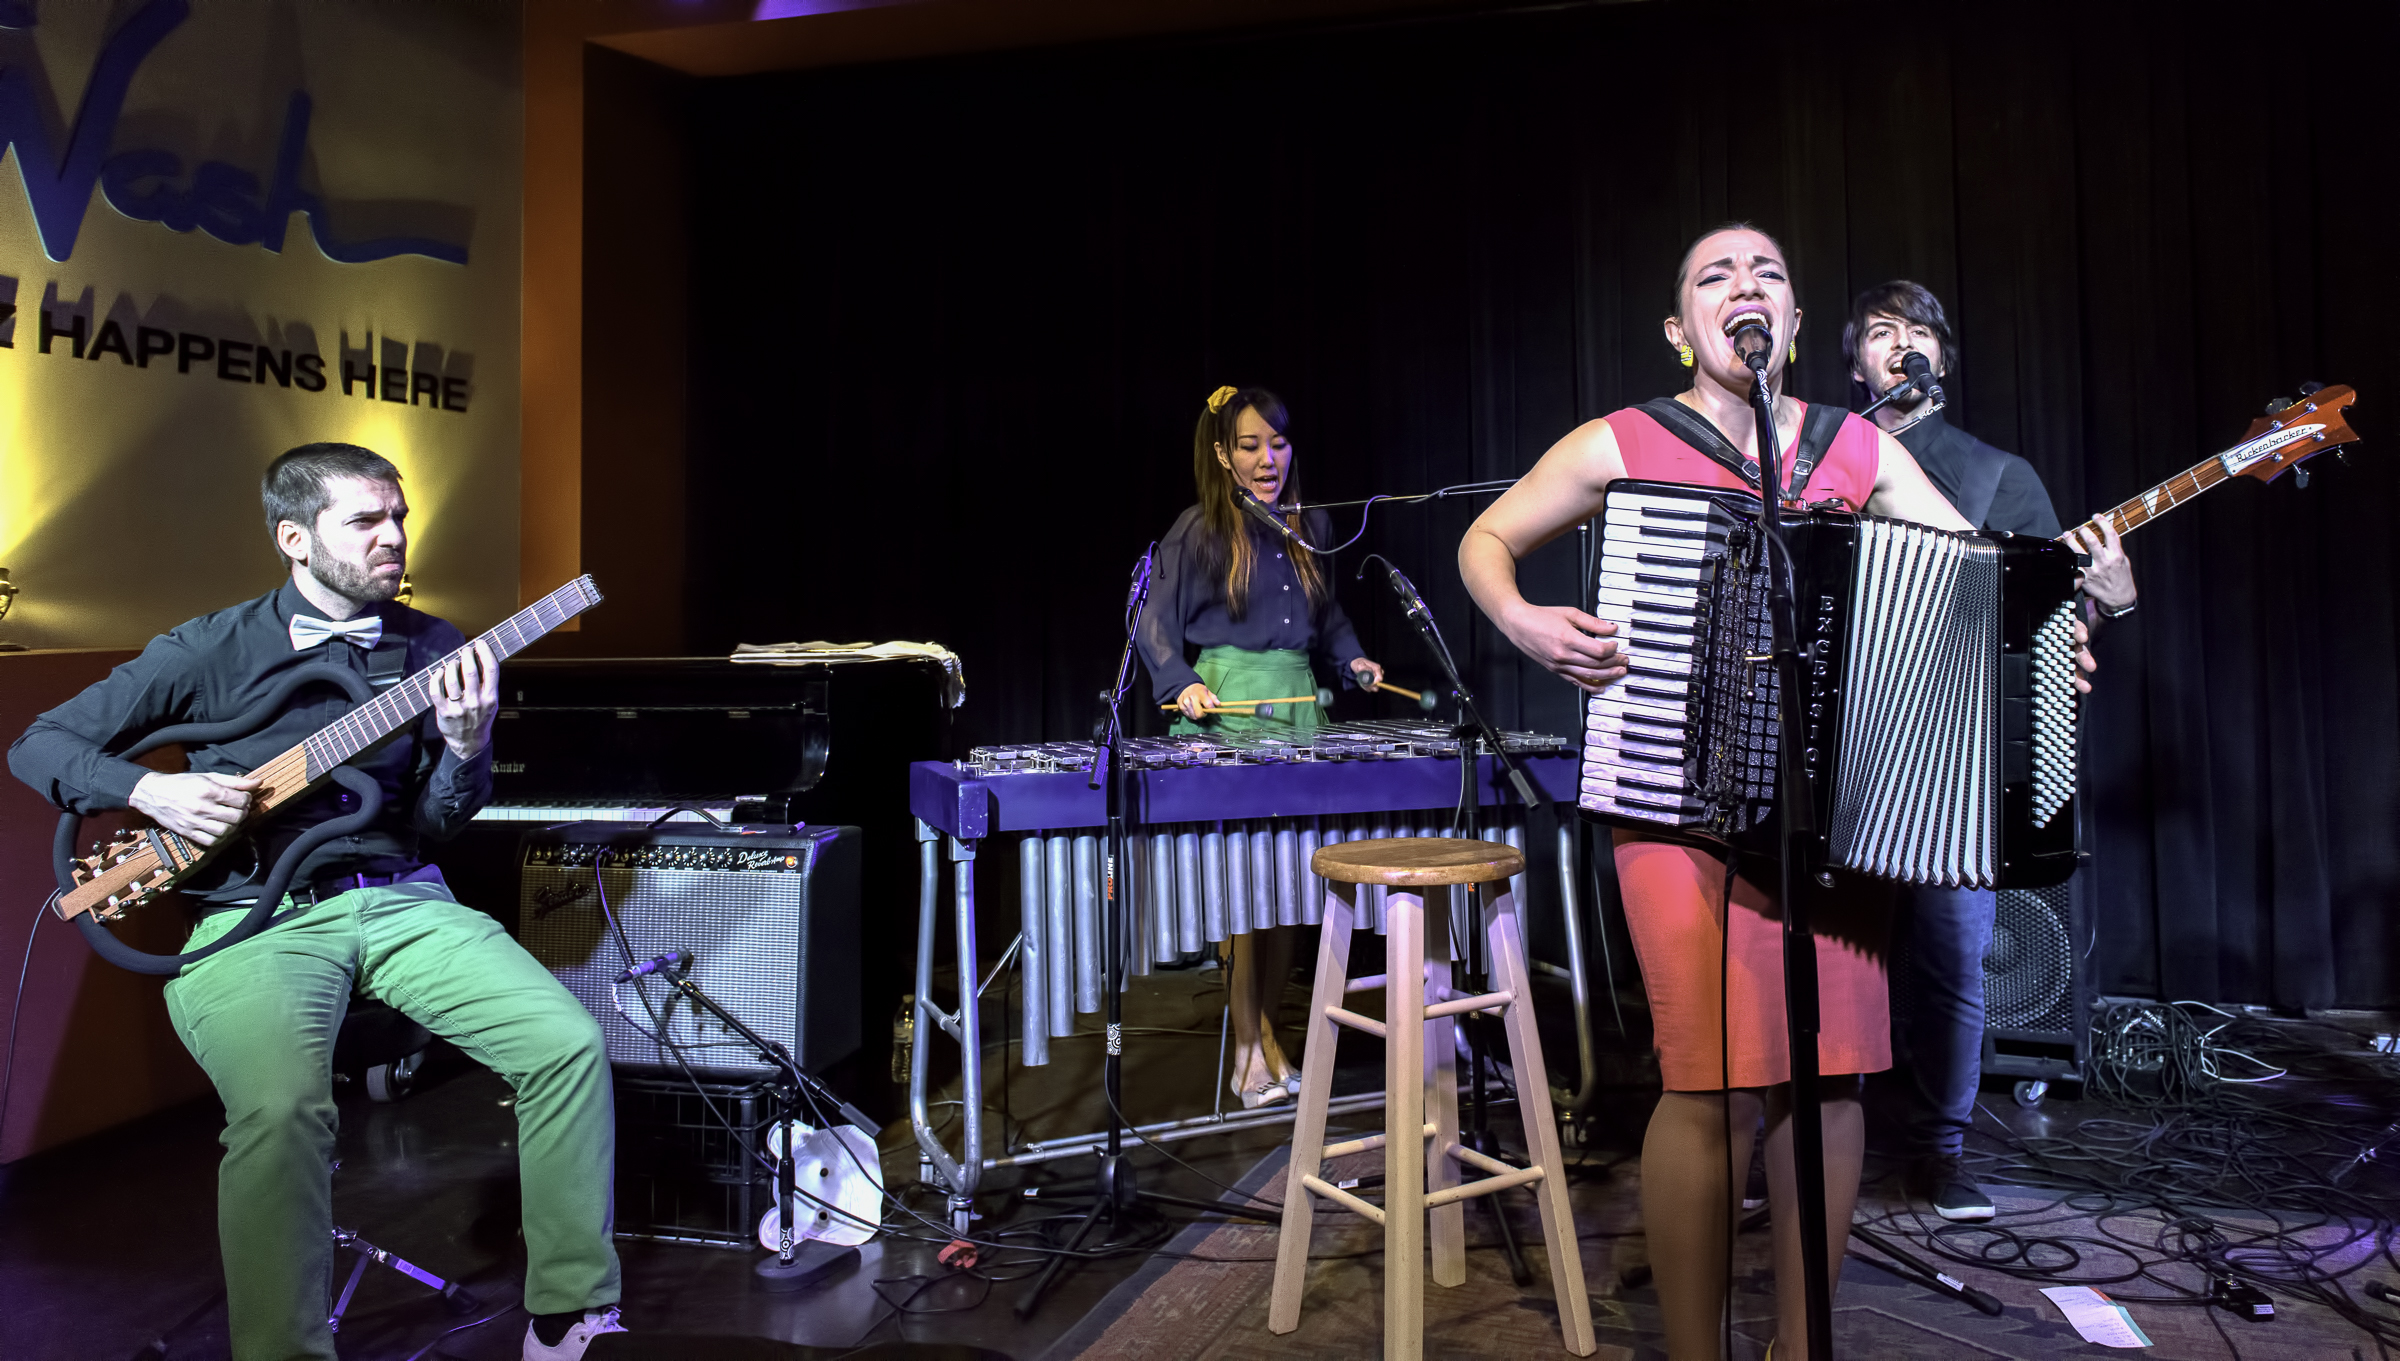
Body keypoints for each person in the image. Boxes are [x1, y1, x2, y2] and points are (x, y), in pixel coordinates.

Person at [1457, 225, 2095, 1360]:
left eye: (1770, 276)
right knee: (1703, 1078)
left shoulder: (1855, 448)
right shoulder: (1630, 437)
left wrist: (2048, 630)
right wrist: (1522, 617)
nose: (1744, 288)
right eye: (1715, 275)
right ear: (1679, 326)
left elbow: (1973, 574)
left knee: (1831, 1072)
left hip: (1832, 813)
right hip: (1672, 800)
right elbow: (1487, 538)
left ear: (1796, 325)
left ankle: (1802, 1344)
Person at [10, 444, 626, 1361]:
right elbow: (39, 744)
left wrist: (466, 747)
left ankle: (571, 1314)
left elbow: (440, 823)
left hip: (399, 895)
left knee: (566, 1044)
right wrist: (151, 792)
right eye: (366, 521)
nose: (394, 537)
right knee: (280, 1109)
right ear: (294, 538)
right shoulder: (210, 646)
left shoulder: (434, 646)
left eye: (400, 516)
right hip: (253, 912)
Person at [1843, 281, 2137, 1222]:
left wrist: (2113, 596)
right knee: (1819, 952)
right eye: (1882, 335)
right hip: (1840, 744)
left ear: (1943, 358)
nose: (1902, 347)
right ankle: (1811, 1139)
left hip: (1954, 750)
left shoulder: (1999, 473)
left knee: (1950, 954)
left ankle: (1939, 1148)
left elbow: (2059, 613)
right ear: (1855, 362)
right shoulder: (1821, 459)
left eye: (1919, 333)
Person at [1136, 385, 1383, 1108]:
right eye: (1250, 445)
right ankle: (1250, 1050)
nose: (1267, 458)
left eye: (1277, 443)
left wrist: (1355, 658)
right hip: (1227, 714)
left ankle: (1266, 1038)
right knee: (1245, 898)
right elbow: (1153, 621)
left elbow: (1327, 618)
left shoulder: (1314, 526)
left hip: (1300, 711)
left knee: (1287, 894)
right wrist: (1178, 681)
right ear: (1223, 454)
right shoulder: (1199, 528)